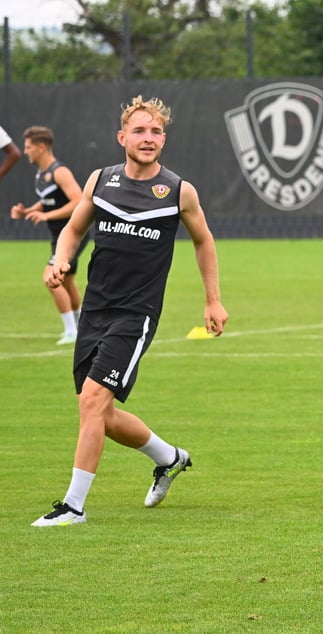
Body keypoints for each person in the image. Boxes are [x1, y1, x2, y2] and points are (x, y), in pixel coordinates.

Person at [32, 96, 229, 527]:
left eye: (156, 131)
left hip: (135, 314)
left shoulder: (179, 191)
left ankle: (73, 506)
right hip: (95, 311)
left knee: (93, 400)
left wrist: (213, 299)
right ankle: (170, 458)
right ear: (122, 137)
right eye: (140, 131)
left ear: (164, 139)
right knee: (98, 414)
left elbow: (204, 241)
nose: (148, 138)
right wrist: (58, 261)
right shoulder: (101, 181)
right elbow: (73, 229)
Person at [10, 126, 90, 344]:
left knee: (50, 278)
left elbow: (78, 202)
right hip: (60, 236)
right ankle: (83, 327)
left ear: (41, 147)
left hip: (74, 234)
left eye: (28, 147)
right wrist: (28, 210)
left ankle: (72, 332)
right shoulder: (42, 174)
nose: (25, 152)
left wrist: (46, 216)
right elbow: (47, 200)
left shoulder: (59, 171)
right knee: (67, 282)